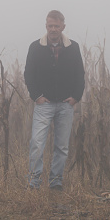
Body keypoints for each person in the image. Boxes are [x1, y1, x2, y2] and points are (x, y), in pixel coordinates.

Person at [24, 10, 85, 190]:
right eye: (50, 25)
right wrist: (37, 96)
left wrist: (75, 97)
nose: (53, 29)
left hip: (66, 105)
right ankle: (34, 183)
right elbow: (28, 74)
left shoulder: (73, 47)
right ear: (46, 26)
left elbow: (80, 74)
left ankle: (55, 183)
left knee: (62, 147)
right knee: (36, 143)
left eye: (56, 26)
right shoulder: (35, 47)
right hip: (44, 104)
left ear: (63, 27)